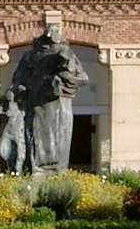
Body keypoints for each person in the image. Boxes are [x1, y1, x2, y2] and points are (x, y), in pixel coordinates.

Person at [8, 26, 89, 172]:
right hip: (35, 103)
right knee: (35, 138)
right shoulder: (30, 56)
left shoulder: (65, 53)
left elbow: (81, 78)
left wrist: (61, 80)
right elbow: (17, 80)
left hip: (57, 103)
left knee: (57, 138)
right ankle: (37, 169)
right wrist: (19, 89)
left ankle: (54, 170)